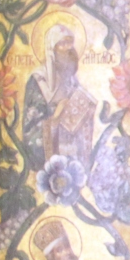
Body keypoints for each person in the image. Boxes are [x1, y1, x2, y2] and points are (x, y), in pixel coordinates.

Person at [23, 23, 97, 169]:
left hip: (71, 147)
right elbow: (31, 123)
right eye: (62, 44)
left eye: (70, 43)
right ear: (52, 48)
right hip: (50, 148)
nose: (68, 48)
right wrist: (55, 115)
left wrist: (85, 110)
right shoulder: (38, 79)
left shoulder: (71, 78)